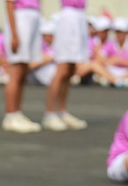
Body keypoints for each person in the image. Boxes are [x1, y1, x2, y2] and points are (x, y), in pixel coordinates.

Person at [41, 0, 89, 131]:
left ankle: (62, 112)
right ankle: (49, 114)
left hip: (80, 14)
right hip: (69, 16)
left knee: (70, 70)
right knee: (62, 68)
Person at [1, 0, 41, 132]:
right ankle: (10, 115)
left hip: (33, 15)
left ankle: (17, 113)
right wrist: (14, 34)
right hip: (20, 17)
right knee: (16, 71)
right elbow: (9, 3)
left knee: (23, 71)